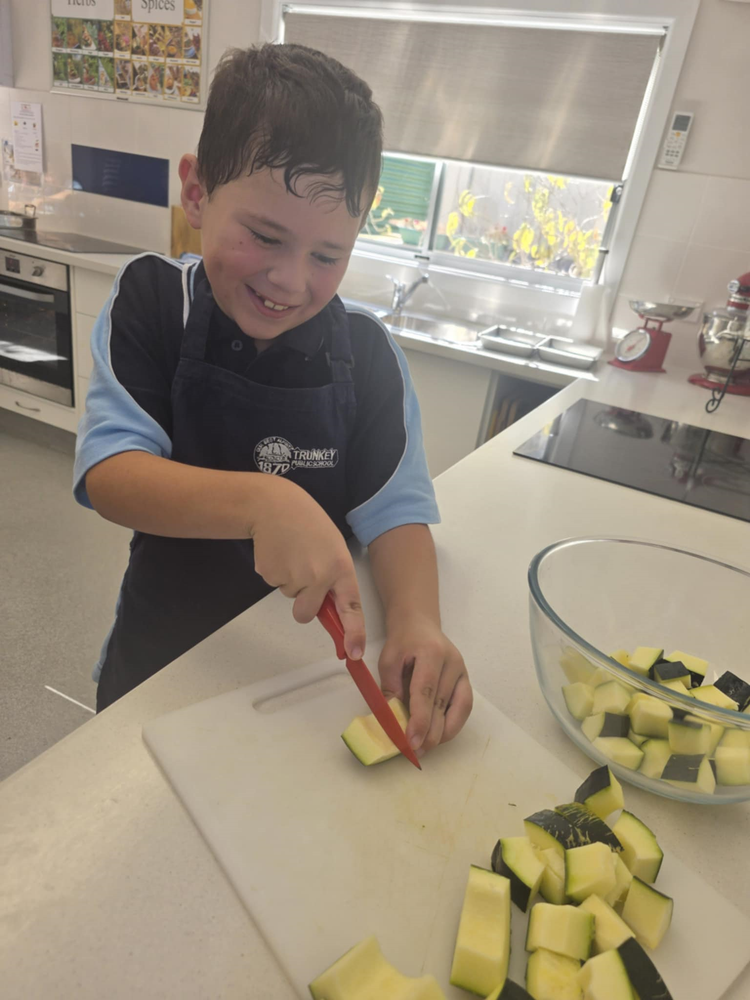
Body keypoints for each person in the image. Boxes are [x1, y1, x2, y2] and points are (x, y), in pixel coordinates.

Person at [73, 43, 473, 754]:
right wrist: (266, 502)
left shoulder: (369, 356)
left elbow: (397, 513)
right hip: (157, 666)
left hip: (297, 687)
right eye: (265, 237)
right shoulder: (154, 302)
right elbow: (111, 475)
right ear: (196, 194)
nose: (290, 281)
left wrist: (416, 621)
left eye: (327, 255)